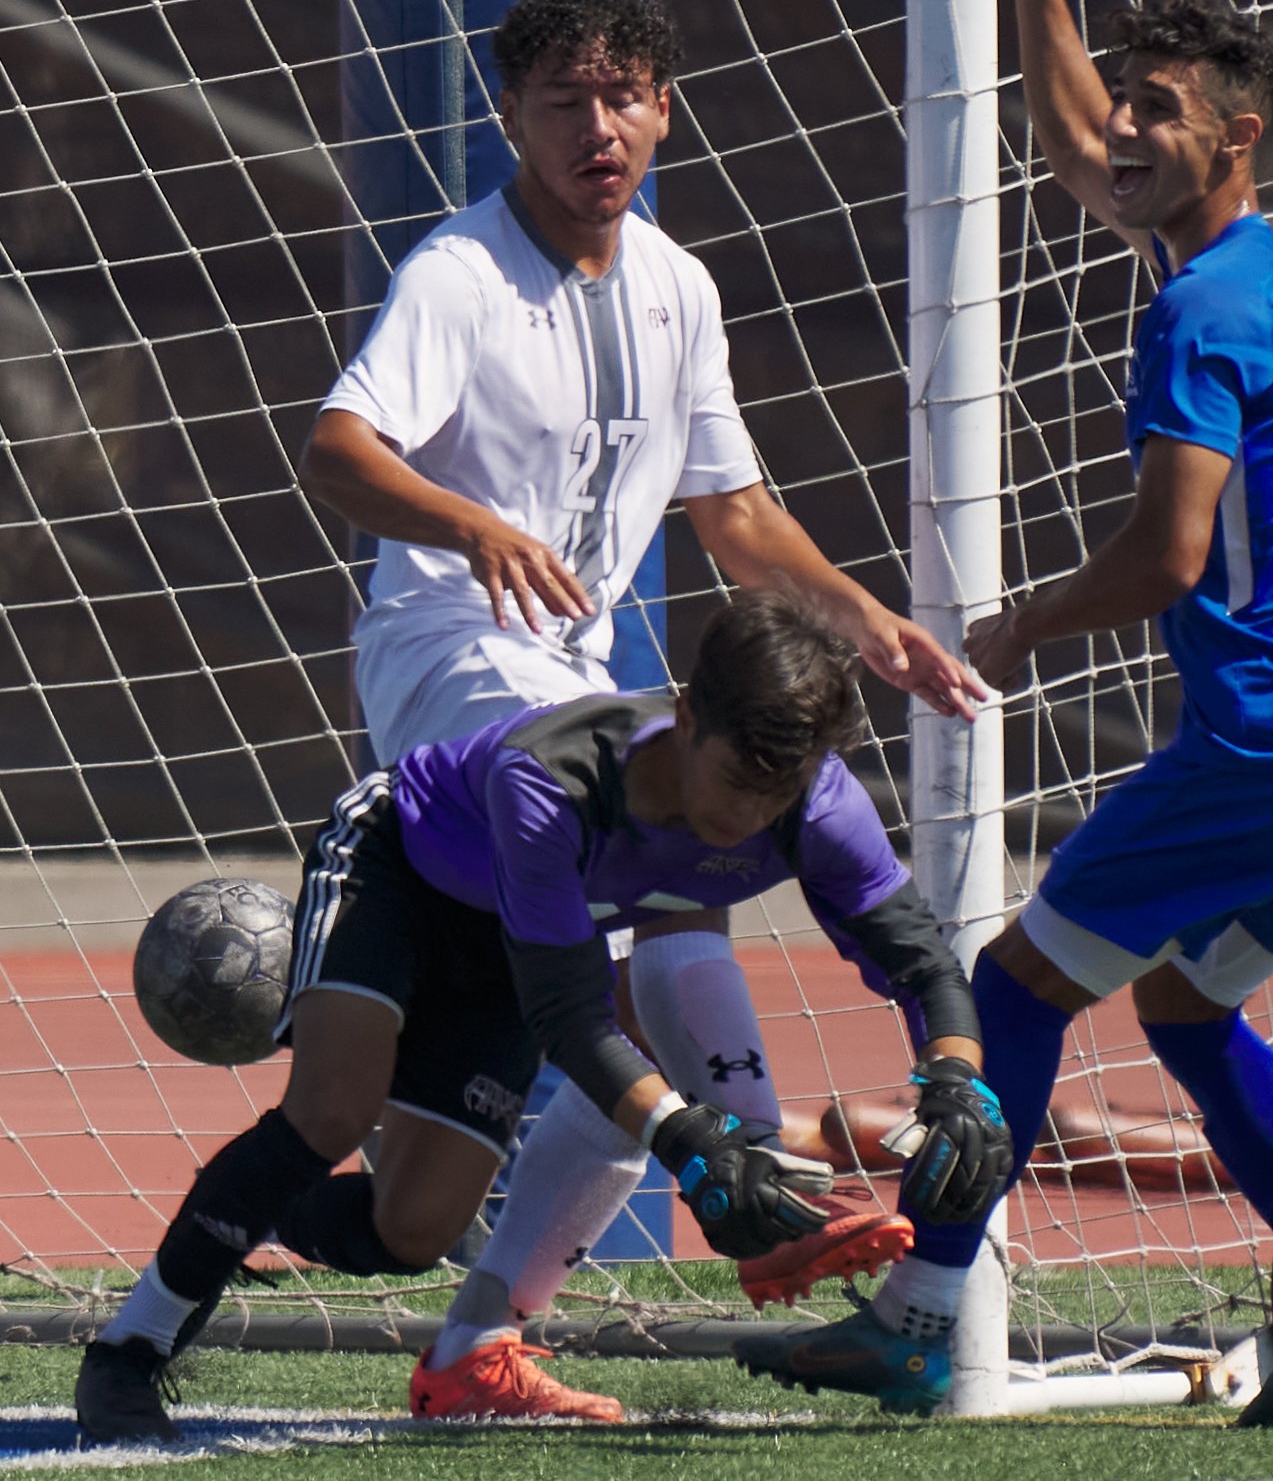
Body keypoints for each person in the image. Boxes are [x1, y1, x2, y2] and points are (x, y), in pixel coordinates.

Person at [735, 0, 1273, 1426]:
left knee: (1017, 984)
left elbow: (1171, 551)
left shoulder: (1199, 310)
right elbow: (1071, 142)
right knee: (1186, 1002)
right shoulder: (1268, 268)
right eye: (1125, 99)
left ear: (1237, 138)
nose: (1123, 127)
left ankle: (920, 1316)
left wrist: (1021, 625)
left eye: (1160, 112)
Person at [297, 0, 988, 1410]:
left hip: (577, 663)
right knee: (636, 945)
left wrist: (869, 623)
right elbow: (339, 448)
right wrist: (472, 525)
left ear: (663, 110)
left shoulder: (679, 285)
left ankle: (474, 1342)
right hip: (452, 652)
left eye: (621, 97)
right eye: (563, 101)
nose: (595, 127)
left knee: (626, 1017)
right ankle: (762, 1169)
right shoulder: (458, 274)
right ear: (510, 117)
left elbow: (732, 512)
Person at [75, 593, 1012, 1443]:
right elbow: (568, 1011)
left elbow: (919, 958)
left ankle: (238, 1209)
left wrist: (959, 1078)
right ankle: (129, 1353)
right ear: (686, 717)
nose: (749, 814)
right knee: (331, 1110)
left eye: (780, 790)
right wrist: (690, 1140)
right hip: (397, 873)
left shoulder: (817, 802)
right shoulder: (551, 780)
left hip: (502, 941)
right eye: (736, 778)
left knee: (414, 1233)